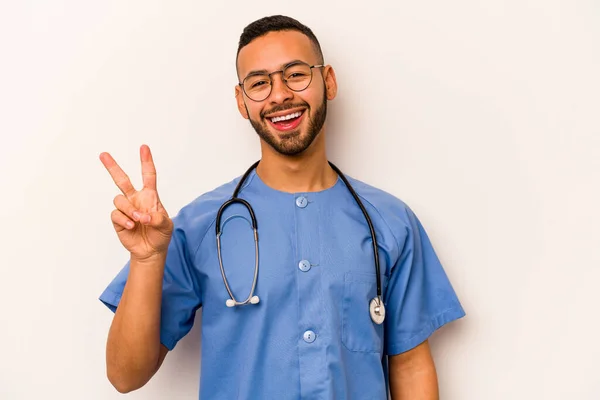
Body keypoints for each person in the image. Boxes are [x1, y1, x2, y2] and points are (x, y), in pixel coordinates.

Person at [98, 15, 465, 400]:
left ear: (329, 82)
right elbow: (126, 376)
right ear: (242, 102)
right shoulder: (201, 227)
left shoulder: (390, 223)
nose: (279, 95)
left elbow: (410, 364)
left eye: (296, 74)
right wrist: (145, 260)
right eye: (259, 83)